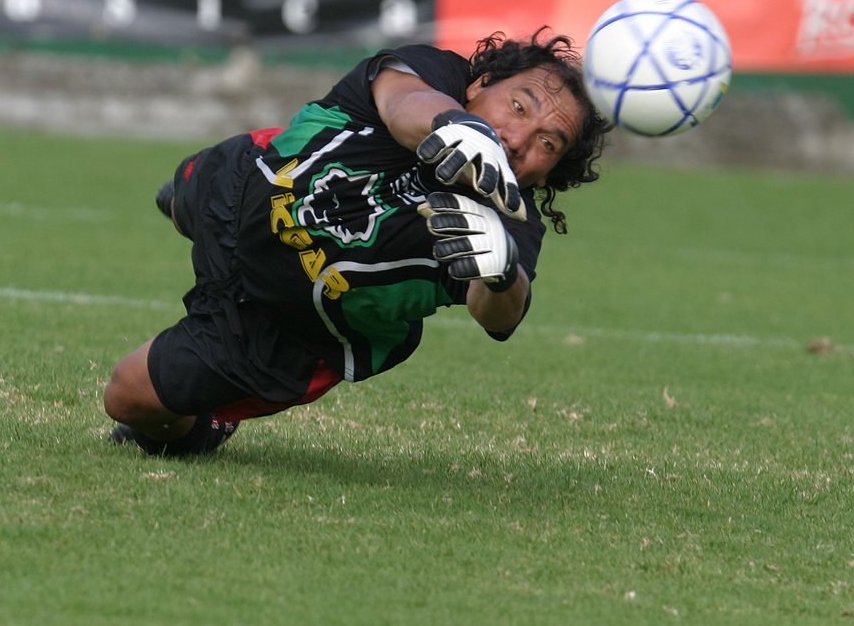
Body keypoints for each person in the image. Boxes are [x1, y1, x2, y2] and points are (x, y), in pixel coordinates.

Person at [103, 28, 612, 456]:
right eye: (519, 107)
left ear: (546, 176)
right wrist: (454, 125)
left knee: (129, 399)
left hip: (293, 326)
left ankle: (209, 427)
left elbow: (500, 313)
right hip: (244, 194)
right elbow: (403, 103)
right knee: (177, 194)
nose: (519, 139)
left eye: (548, 143)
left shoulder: (511, 218)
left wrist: (498, 275)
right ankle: (191, 217)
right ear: (479, 84)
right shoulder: (434, 74)